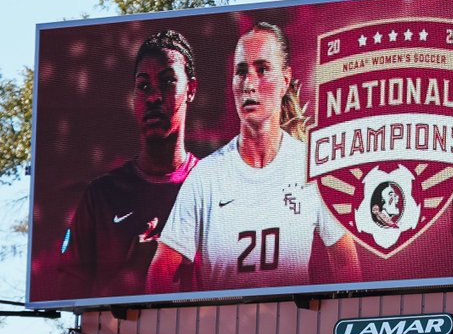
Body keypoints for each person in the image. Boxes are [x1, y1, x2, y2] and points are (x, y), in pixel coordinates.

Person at [147, 21, 361, 293]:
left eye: (262, 70)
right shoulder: (207, 176)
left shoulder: (311, 166)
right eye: (241, 72)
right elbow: (162, 270)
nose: (249, 84)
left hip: (294, 330)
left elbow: (345, 260)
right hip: (223, 331)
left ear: (285, 80)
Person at [58, 29, 199, 299]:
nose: (154, 97)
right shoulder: (102, 195)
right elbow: (68, 297)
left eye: (168, 82)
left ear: (191, 89)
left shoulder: (214, 185)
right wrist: (133, 269)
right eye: (143, 86)